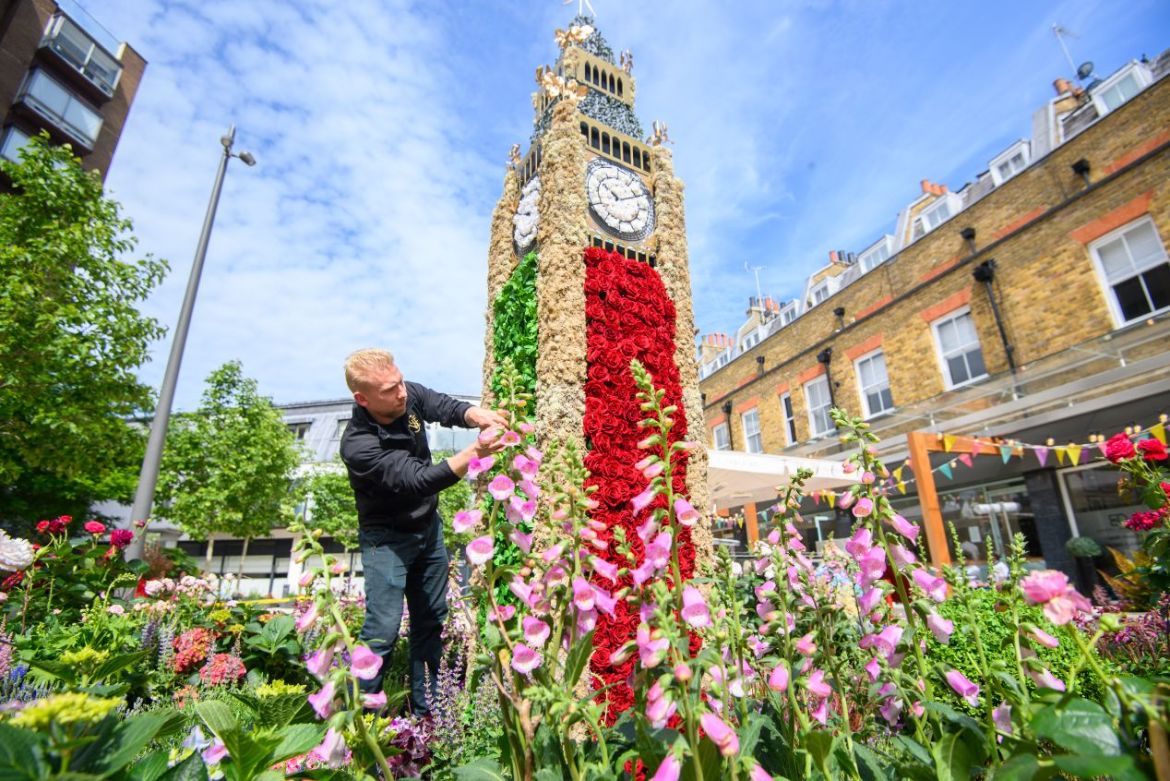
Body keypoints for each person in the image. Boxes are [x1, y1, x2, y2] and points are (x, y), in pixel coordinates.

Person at [339, 348, 506, 713]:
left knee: (431, 621)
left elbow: (440, 405)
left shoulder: (404, 395)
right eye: (388, 390)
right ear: (362, 398)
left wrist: (474, 413)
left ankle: (428, 717)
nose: (401, 393)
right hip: (387, 540)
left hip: (427, 529)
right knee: (382, 630)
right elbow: (419, 480)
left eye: (400, 382)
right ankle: (364, 723)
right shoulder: (358, 445)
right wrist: (476, 450)